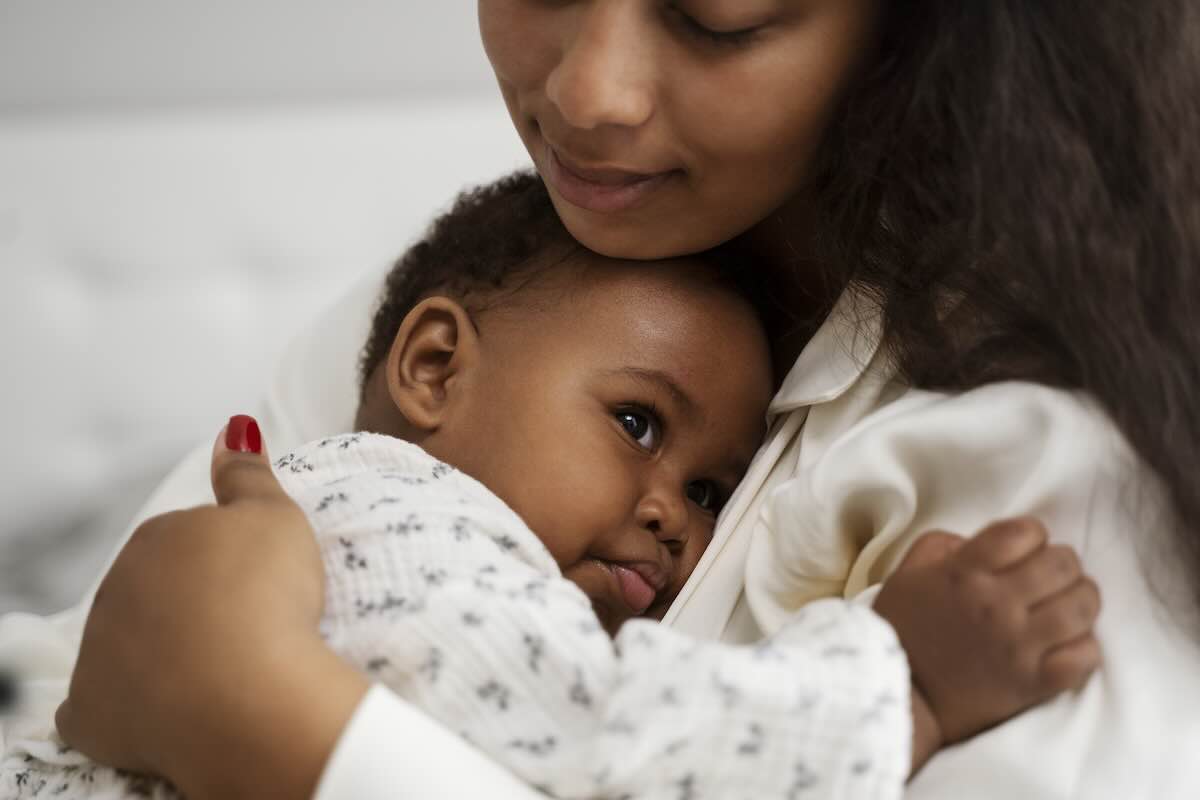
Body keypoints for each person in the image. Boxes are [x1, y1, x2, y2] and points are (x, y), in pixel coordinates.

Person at [6, 0, 1199, 797]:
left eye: (714, 17)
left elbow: (163, 668)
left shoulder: (1044, 457)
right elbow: (60, 688)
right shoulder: (481, 322)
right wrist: (903, 687)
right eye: (635, 424)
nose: (588, 97)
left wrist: (262, 708)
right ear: (431, 364)